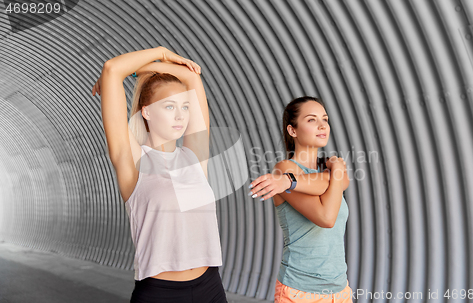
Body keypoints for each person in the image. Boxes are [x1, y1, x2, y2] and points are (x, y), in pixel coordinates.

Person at [92, 46, 227, 303]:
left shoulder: (194, 157)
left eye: (185, 107)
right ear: (146, 112)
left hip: (210, 287)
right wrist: (162, 53)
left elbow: (192, 77)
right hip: (160, 293)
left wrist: (143, 71)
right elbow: (112, 69)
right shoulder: (132, 160)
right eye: (168, 107)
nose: (180, 116)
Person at [249, 96, 353, 302]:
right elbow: (326, 218)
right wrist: (337, 171)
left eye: (325, 119)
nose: (322, 125)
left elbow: (342, 181)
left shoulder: (329, 172)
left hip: (340, 290)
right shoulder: (284, 169)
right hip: (300, 291)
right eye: (312, 120)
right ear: (292, 130)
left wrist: (291, 182)